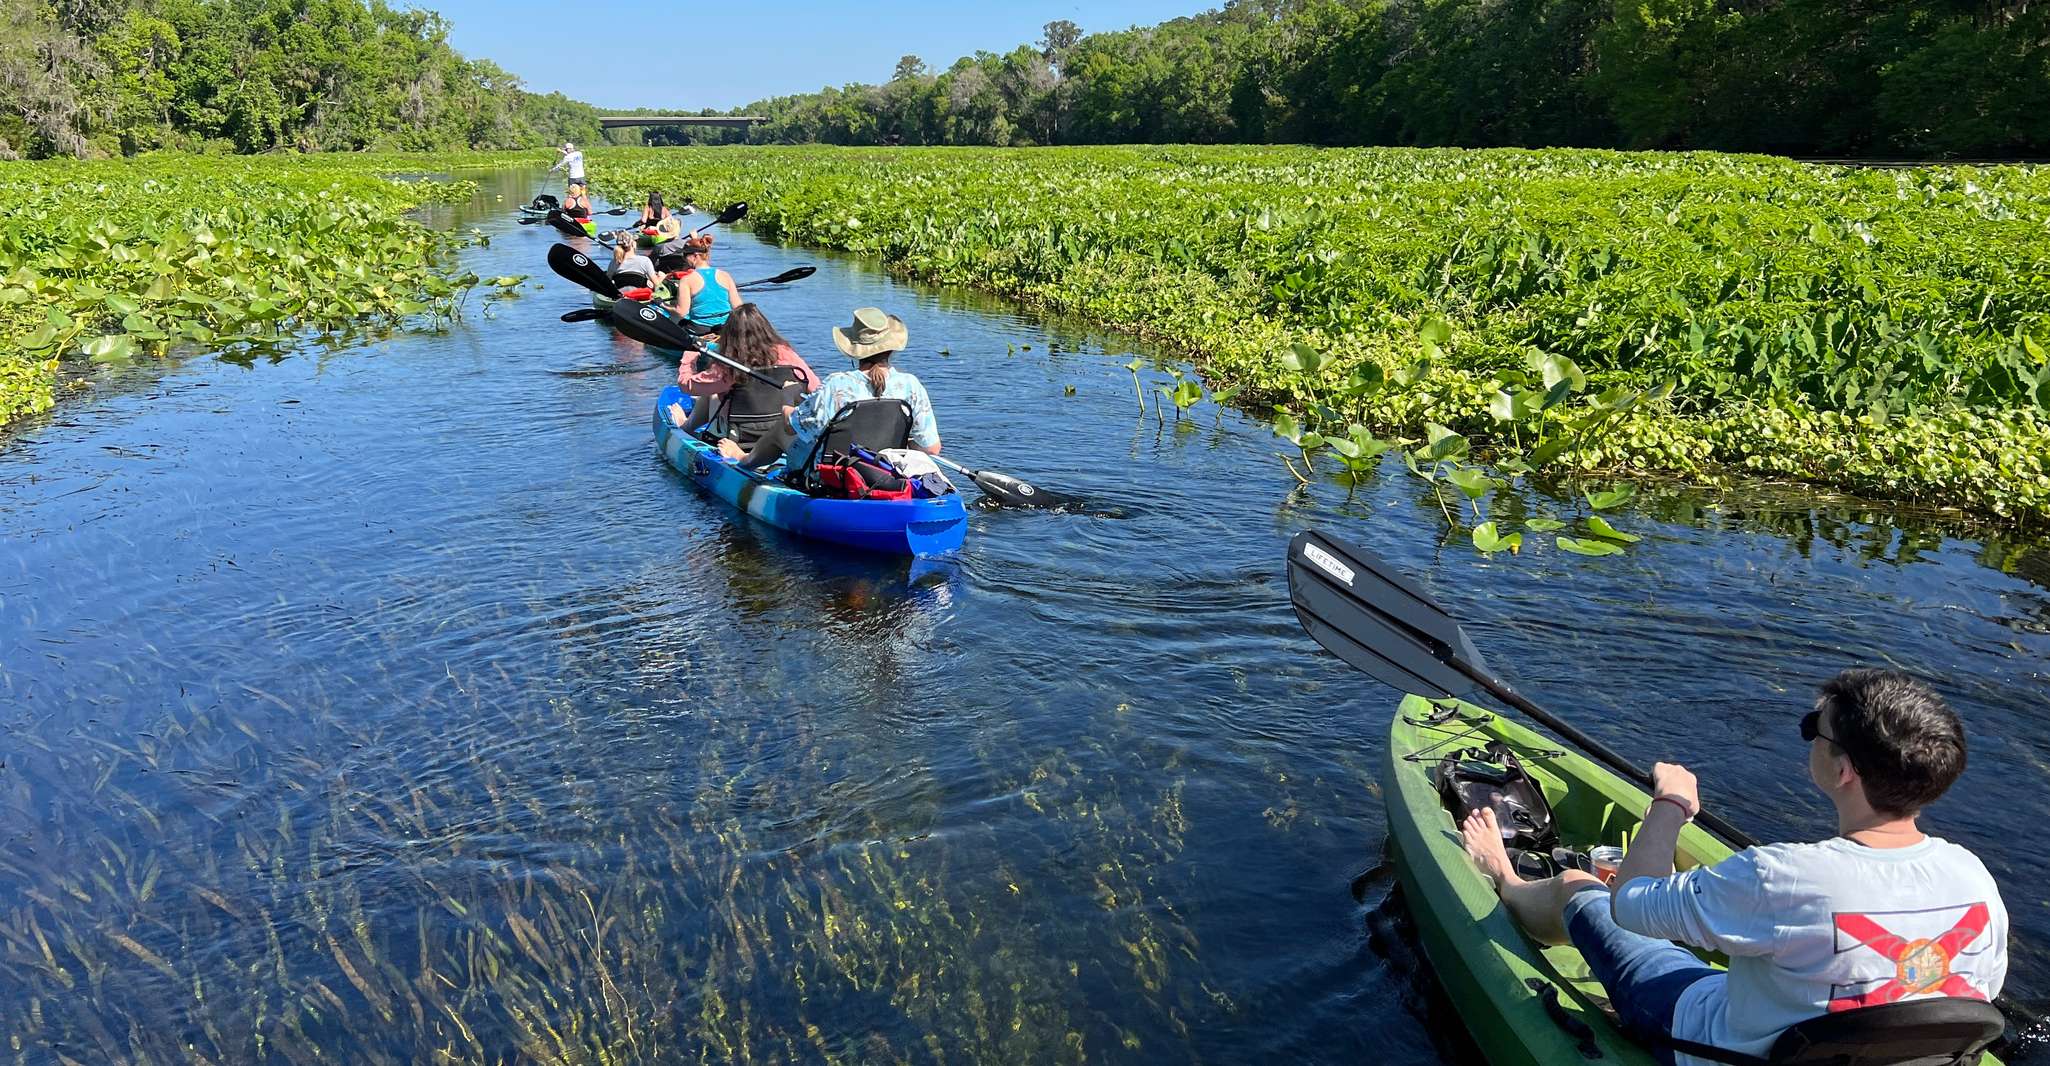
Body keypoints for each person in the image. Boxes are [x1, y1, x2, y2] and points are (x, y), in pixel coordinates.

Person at [1459, 669, 2007, 1065]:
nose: (1810, 733)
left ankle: (1504, 878)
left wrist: (1670, 805)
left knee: (1581, 888)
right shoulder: (1976, 880)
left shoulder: (1785, 875)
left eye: (1815, 725)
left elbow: (1628, 904)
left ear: (1844, 770)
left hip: (1699, 1038)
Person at [717, 306, 940, 471]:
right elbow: (931, 449)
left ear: (854, 350)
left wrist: (788, 398)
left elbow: (791, 427)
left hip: (831, 473)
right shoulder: (911, 385)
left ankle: (744, 459)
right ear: (890, 350)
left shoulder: (837, 384)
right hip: (885, 471)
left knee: (777, 431)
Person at [676, 303, 821, 439]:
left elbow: (686, 386)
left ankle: (686, 426)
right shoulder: (786, 353)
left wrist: (689, 357)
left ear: (729, 334)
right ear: (765, 328)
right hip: (783, 428)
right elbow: (815, 387)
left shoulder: (728, 364)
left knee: (711, 394)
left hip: (739, 433)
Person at [671, 234, 742, 332]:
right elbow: (738, 306)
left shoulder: (687, 280)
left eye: (685, 255)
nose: (684, 259)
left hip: (700, 328)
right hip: (725, 327)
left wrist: (662, 305)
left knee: (675, 319)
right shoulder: (725, 275)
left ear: (695, 256)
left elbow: (681, 312)